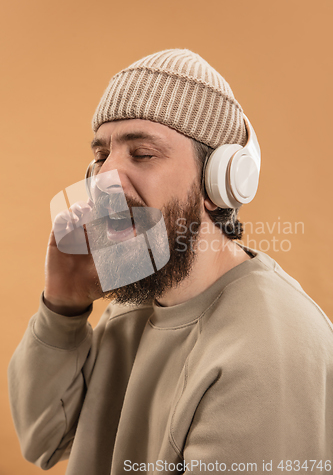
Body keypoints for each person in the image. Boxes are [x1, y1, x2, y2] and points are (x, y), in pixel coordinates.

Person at [8, 49, 333, 475]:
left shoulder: (269, 353)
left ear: (220, 181)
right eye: (101, 156)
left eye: (142, 154)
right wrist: (63, 307)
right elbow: (44, 439)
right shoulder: (130, 310)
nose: (105, 181)